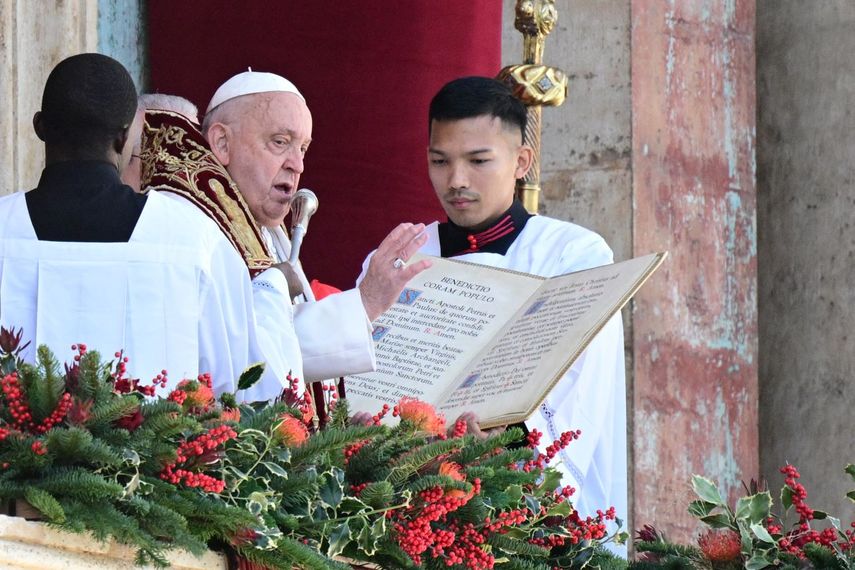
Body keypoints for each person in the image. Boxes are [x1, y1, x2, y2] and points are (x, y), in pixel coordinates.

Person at [0, 53, 289, 401]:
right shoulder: (193, 238)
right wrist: (272, 288)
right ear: (125, 138)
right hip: (159, 454)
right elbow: (243, 385)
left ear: (39, 127)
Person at [418, 77, 627, 544]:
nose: (456, 180)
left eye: (478, 161)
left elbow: (581, 389)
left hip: (532, 516)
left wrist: (500, 447)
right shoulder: (402, 256)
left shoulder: (574, 256)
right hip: (416, 506)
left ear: (521, 162)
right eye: (439, 161)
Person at [201, 70, 431, 383]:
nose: (297, 165)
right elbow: (253, 364)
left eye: (303, 148)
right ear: (222, 143)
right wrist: (366, 302)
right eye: (280, 142)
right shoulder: (204, 236)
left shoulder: (270, 235)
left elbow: (287, 351)